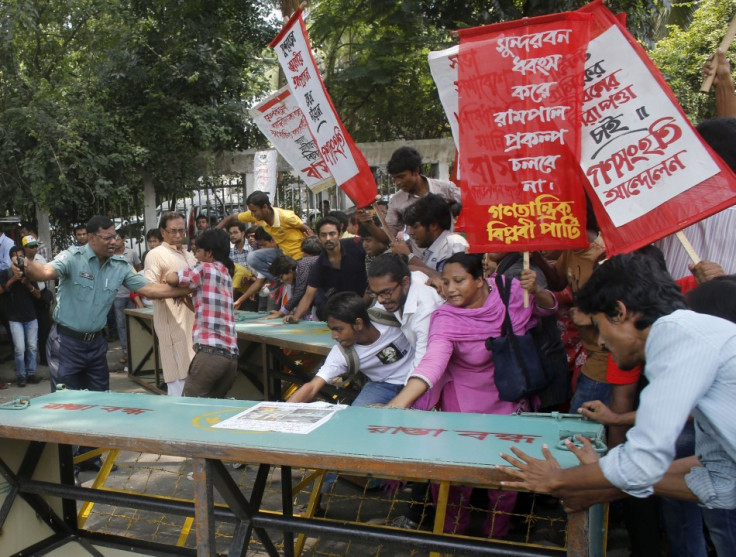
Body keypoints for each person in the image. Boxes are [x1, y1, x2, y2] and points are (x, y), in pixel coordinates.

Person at [499, 254, 736, 557]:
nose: (600, 343)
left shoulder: (677, 337)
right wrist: (601, 482)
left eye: (598, 327)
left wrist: (558, 478)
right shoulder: (690, 336)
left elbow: (641, 462)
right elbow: (719, 482)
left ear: (620, 312)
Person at [384, 252, 557, 537]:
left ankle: (496, 536)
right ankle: (452, 536)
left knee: (506, 476)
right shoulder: (446, 317)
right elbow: (434, 361)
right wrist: (399, 403)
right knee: (453, 478)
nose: (450, 290)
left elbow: (549, 310)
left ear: (480, 279)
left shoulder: (509, 291)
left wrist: (538, 291)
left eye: (459, 281)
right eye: (446, 282)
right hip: (461, 406)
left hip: (509, 397)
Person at [15, 215, 188, 393]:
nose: (114, 242)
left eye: (115, 237)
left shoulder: (120, 266)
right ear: (91, 238)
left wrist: (188, 290)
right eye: (107, 238)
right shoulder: (72, 258)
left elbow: (151, 290)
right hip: (67, 344)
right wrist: (26, 266)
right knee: (66, 402)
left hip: (96, 345)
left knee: (100, 401)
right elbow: (44, 272)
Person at [288, 291, 414, 407]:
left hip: (418, 373)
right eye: (331, 329)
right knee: (357, 419)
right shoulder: (342, 354)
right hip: (382, 386)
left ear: (358, 323)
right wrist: (281, 411)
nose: (334, 336)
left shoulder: (387, 314)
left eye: (338, 329)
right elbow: (312, 387)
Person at [165, 229, 238, 399]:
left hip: (210, 355)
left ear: (209, 252)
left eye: (197, 250)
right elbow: (203, 307)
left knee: (190, 407)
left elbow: (172, 279)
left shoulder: (204, 268)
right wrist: (184, 296)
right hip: (231, 358)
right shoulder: (225, 273)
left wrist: (172, 278)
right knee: (212, 411)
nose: (195, 255)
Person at [143, 212, 197, 397]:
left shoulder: (188, 254)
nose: (178, 235)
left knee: (193, 373)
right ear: (163, 232)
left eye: (181, 231)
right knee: (178, 378)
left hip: (193, 323)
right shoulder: (156, 255)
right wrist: (180, 290)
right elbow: (148, 288)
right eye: (173, 231)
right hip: (172, 324)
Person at [284, 217, 367, 323]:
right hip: (345, 309)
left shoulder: (357, 244)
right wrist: (295, 317)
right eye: (323, 235)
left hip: (369, 300)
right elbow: (308, 295)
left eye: (332, 234)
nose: (328, 238)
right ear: (318, 237)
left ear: (340, 234)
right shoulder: (319, 265)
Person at [217, 191, 312, 280]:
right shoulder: (256, 216)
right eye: (251, 212)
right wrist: (213, 233)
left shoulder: (287, 217)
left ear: (265, 207)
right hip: (283, 254)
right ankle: (278, 279)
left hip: (299, 256)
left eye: (254, 211)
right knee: (252, 257)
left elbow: (308, 230)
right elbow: (231, 218)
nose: (252, 215)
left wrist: (310, 253)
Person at [383, 146, 461, 242]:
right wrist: (369, 224)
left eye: (401, 177)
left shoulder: (446, 188)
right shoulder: (396, 200)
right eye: (395, 178)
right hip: (418, 256)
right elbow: (388, 236)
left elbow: (470, 207)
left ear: (416, 171)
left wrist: (454, 209)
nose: (398, 182)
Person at [392, 193, 468, 285]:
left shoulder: (454, 243)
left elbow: (450, 283)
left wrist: (409, 256)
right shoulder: (431, 250)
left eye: (415, 227)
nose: (410, 233)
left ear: (433, 225)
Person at [0, 245, 41, 387]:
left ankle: (31, 373)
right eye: (15, 256)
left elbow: (38, 294)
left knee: (32, 347)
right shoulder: (5, 273)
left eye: (20, 256)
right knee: (19, 349)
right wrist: (13, 279)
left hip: (31, 316)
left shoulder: (29, 272)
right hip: (14, 317)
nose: (18, 259)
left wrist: (27, 284)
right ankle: (21, 376)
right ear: (10, 258)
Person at [23, 235, 53, 367]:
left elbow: (47, 275)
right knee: (28, 330)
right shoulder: (20, 261)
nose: (35, 248)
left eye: (36, 246)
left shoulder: (41, 259)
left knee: (44, 328)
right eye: (31, 246)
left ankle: (45, 358)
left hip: (41, 295)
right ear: (25, 248)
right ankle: (28, 361)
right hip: (27, 297)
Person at [112, 229, 141, 365]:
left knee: (134, 324)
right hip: (117, 295)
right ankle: (125, 352)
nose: (115, 241)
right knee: (121, 325)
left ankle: (136, 351)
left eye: (117, 239)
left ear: (123, 240)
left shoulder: (131, 253)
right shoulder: (110, 254)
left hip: (132, 294)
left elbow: (138, 269)